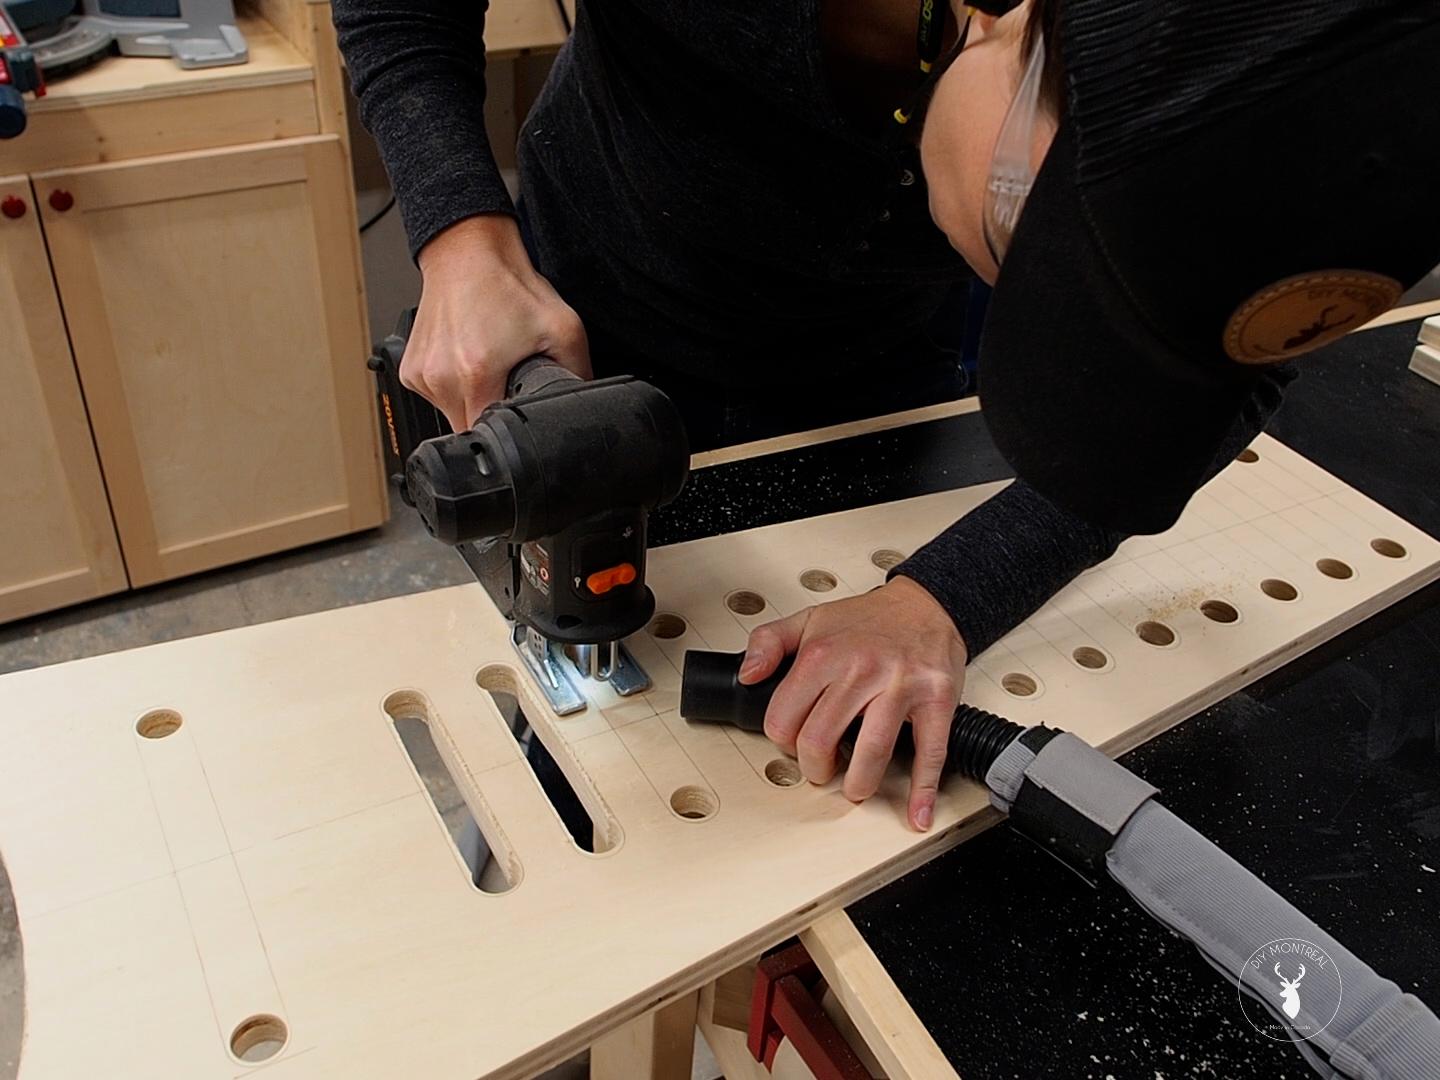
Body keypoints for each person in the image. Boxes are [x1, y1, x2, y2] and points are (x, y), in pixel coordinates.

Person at [336, 0, 1440, 833]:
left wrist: (942, 596)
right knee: (587, 762)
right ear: (1028, 28)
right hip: (594, 318)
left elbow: (1212, 361)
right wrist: (460, 236)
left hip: (866, 371)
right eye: (1036, 263)